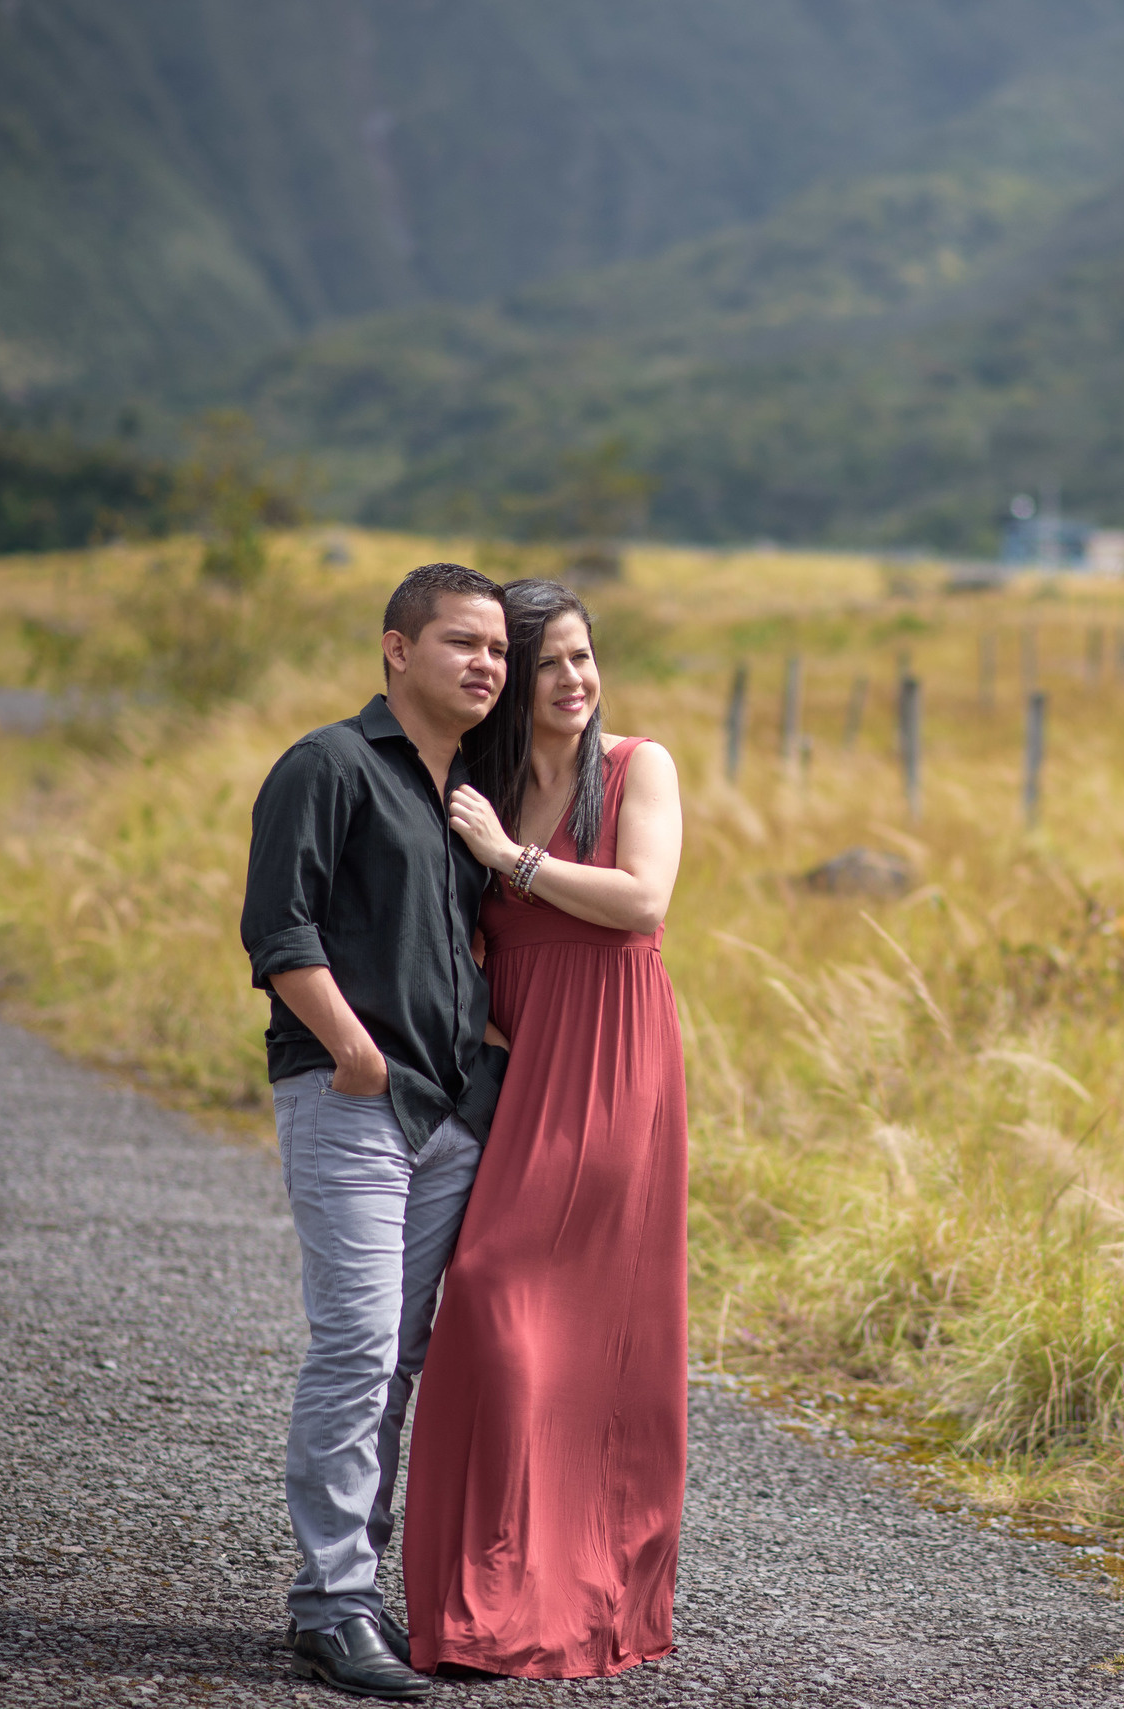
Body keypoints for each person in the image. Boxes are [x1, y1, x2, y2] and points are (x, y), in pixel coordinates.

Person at [401, 576, 690, 1678]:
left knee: (521, 1298)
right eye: (552, 663)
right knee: (495, 1312)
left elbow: (642, 899)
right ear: (514, 683)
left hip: (613, 1059)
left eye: (584, 657)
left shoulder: (635, 767)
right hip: (517, 1067)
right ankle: (487, 1595)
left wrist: (509, 859)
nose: (576, 679)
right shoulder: (479, 783)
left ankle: (587, 1592)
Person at [239, 563, 513, 1701]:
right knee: (356, 1347)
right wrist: (353, 1050)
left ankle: (359, 1585)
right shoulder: (329, 763)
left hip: (447, 1114)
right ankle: (331, 1606)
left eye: (498, 647)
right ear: (396, 648)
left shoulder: (467, 799)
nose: (486, 664)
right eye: (461, 641)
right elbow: (277, 922)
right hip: (352, 1098)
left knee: (400, 1355)